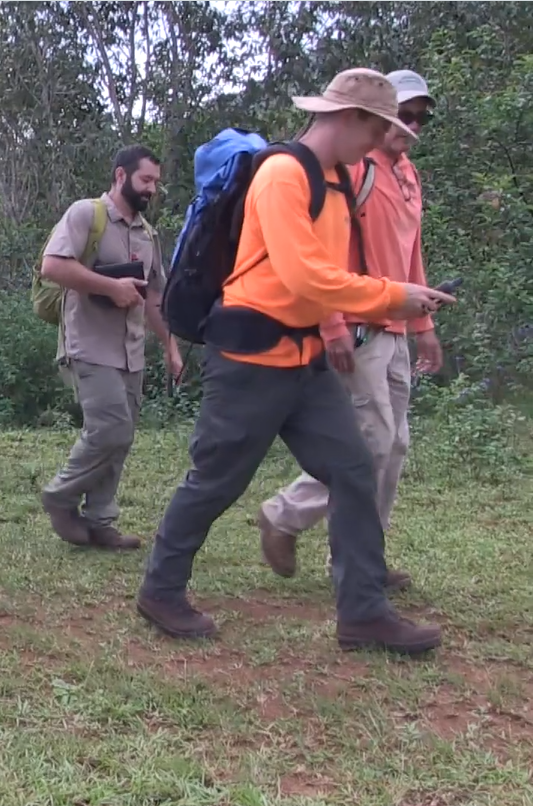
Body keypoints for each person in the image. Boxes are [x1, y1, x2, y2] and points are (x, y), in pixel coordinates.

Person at [137, 69, 456, 655]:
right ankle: (160, 590)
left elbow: (325, 277)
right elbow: (304, 275)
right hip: (251, 357)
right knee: (216, 481)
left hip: (306, 359)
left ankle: (364, 614)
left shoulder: (340, 179)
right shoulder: (284, 174)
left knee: (355, 472)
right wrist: (392, 297)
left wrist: (358, 317)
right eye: (380, 126)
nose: (385, 140)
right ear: (349, 119)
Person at [258, 70, 442, 590]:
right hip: (357, 325)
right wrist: (331, 323)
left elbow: (411, 254)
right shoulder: (355, 172)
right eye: (402, 116)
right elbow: (324, 254)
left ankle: (368, 557)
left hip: (395, 326)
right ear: (376, 118)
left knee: (395, 445)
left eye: (419, 117)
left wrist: (422, 322)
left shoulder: (407, 175)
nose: (410, 127)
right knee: (370, 443)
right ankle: (289, 515)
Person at [37, 145, 183, 551]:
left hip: (130, 351)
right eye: (145, 180)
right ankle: (60, 495)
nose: (152, 189)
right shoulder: (87, 214)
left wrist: (170, 345)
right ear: (121, 176)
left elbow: (154, 296)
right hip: (88, 344)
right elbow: (53, 265)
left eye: (156, 181)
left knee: (122, 436)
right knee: (110, 429)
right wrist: (110, 287)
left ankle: (101, 520)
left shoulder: (147, 233)